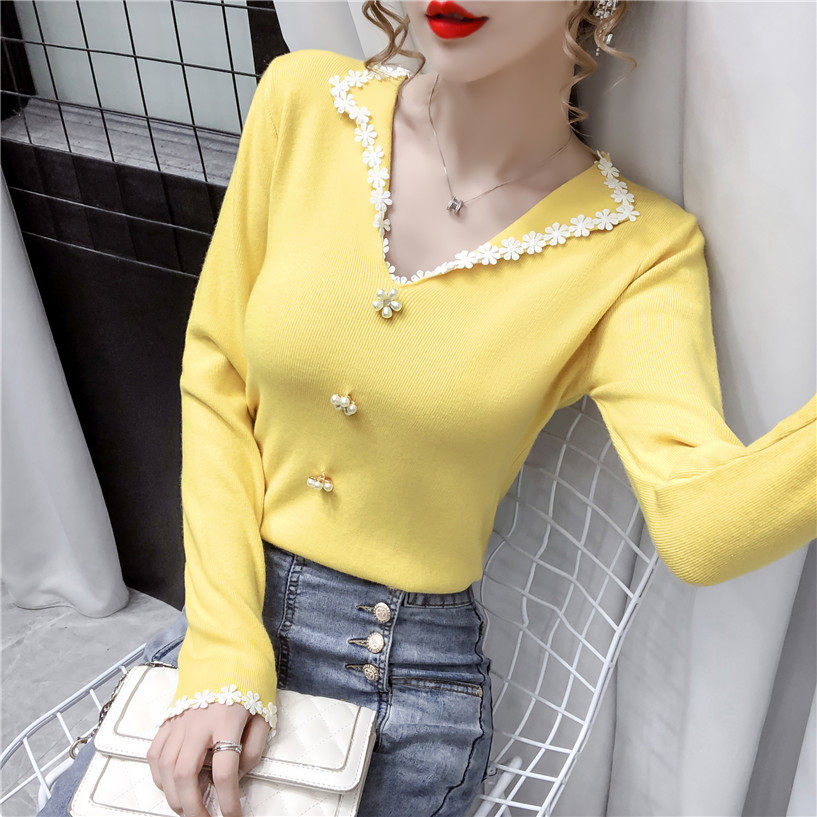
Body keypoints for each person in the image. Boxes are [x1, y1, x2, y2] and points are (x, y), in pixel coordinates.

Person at [38, 2, 817, 816]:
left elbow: (699, 523)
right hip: (224, 614)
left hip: (398, 680)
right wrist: (224, 654)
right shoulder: (302, 103)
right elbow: (216, 375)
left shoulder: (637, 252)